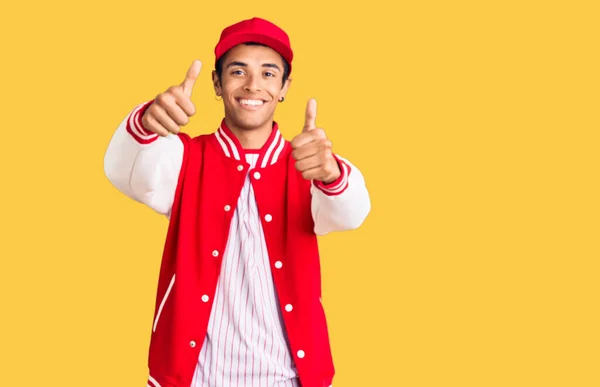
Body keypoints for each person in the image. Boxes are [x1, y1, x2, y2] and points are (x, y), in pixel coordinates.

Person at [103, 16, 371, 387]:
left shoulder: (309, 164)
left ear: (284, 87)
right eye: (238, 71)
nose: (252, 86)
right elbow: (124, 170)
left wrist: (331, 173)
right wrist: (148, 123)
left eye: (268, 74)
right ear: (217, 82)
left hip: (289, 378)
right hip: (195, 377)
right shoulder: (185, 158)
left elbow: (351, 213)